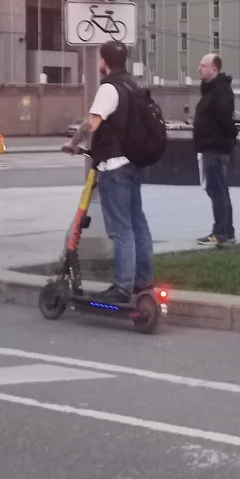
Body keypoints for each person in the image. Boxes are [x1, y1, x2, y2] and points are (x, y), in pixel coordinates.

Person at [87, 39, 155, 304]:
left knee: (122, 229)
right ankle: (144, 280)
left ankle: (123, 286)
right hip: (133, 163)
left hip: (114, 167)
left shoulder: (109, 88)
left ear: (104, 61)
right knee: (138, 224)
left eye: (99, 59)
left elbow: (92, 124)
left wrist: (71, 143)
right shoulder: (131, 84)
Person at [193, 53, 238, 246]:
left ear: (214, 69)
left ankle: (220, 233)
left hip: (215, 148)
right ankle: (227, 232)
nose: (199, 68)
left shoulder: (221, 91)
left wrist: (226, 139)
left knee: (216, 189)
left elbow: (225, 120)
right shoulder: (212, 90)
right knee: (220, 190)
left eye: (203, 65)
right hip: (212, 147)